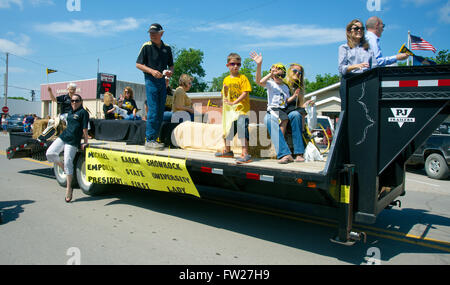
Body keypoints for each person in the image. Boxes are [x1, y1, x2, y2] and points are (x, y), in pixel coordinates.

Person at [251, 52, 304, 163]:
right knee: (272, 119)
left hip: (285, 110)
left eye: (300, 73)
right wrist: (260, 66)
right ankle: (284, 152)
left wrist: (296, 96)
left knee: (294, 115)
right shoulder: (272, 83)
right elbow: (259, 81)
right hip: (274, 109)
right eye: (295, 71)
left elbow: (287, 101)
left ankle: (299, 153)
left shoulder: (286, 86)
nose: (297, 74)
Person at [136, 23, 174, 150]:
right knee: (152, 109)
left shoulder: (167, 48)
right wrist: (152, 71)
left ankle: (155, 138)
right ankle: (150, 139)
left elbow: (171, 65)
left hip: (163, 81)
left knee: (159, 110)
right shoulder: (146, 46)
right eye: (150, 33)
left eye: (154, 32)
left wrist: (170, 73)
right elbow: (138, 64)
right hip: (150, 80)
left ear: (161, 33)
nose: (152, 35)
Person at [46, 94, 89, 203]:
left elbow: (85, 129)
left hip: (73, 141)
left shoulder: (83, 113)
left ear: (81, 101)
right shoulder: (70, 112)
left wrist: (85, 142)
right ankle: (62, 166)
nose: (74, 102)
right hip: (64, 136)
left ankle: (69, 188)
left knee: (69, 162)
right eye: (72, 101)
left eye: (76, 101)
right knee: (50, 153)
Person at [215, 53, 252, 164]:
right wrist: (225, 90)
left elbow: (245, 93)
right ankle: (227, 150)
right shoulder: (226, 79)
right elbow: (224, 95)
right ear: (228, 65)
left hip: (241, 109)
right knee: (228, 130)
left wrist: (234, 102)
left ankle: (245, 153)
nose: (235, 66)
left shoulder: (243, 78)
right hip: (231, 112)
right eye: (233, 64)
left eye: (238, 64)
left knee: (241, 128)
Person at [338, 19, 378, 110]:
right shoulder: (344, 48)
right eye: (356, 28)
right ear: (349, 31)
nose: (359, 30)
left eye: (361, 28)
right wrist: (356, 66)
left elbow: (375, 67)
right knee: (348, 110)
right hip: (349, 81)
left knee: (365, 110)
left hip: (366, 81)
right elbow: (341, 69)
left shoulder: (368, 49)